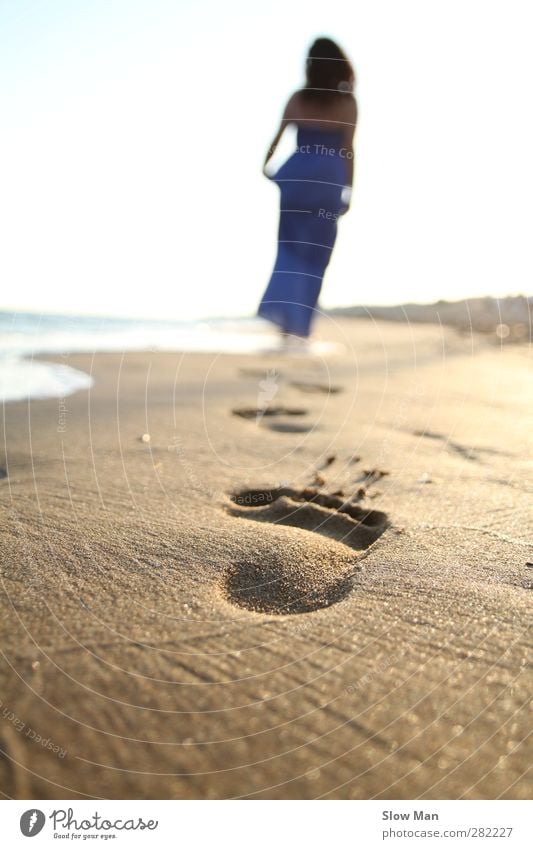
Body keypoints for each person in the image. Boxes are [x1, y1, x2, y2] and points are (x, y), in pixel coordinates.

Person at [258, 37, 357, 344]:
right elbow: (348, 149)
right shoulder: (347, 104)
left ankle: (286, 323)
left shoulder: (298, 99)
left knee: (289, 251)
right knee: (316, 256)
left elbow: (278, 137)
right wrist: (349, 191)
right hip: (327, 182)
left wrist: (267, 166)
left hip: (297, 181)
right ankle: (301, 325)